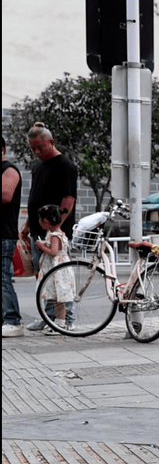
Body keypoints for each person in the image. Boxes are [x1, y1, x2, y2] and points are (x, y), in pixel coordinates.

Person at [20, 122, 78, 331]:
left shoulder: (65, 166)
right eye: (32, 148)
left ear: (50, 142)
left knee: (60, 277)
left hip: (55, 232)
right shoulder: (37, 168)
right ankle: (48, 316)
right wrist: (27, 227)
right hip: (38, 231)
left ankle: (67, 319)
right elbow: (34, 199)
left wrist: (56, 229)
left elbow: (68, 200)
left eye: (40, 147)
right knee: (44, 276)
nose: (36, 152)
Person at [35, 204, 75, 332]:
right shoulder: (58, 233)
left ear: (45, 221)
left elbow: (53, 252)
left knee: (59, 299)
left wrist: (42, 247)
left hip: (57, 269)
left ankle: (60, 324)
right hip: (59, 268)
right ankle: (58, 322)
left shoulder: (54, 235)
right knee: (58, 298)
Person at [2, 136, 24, 337]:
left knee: (3, 278)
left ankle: (13, 320)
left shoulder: (9, 170)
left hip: (3, 234)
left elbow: (5, 195)